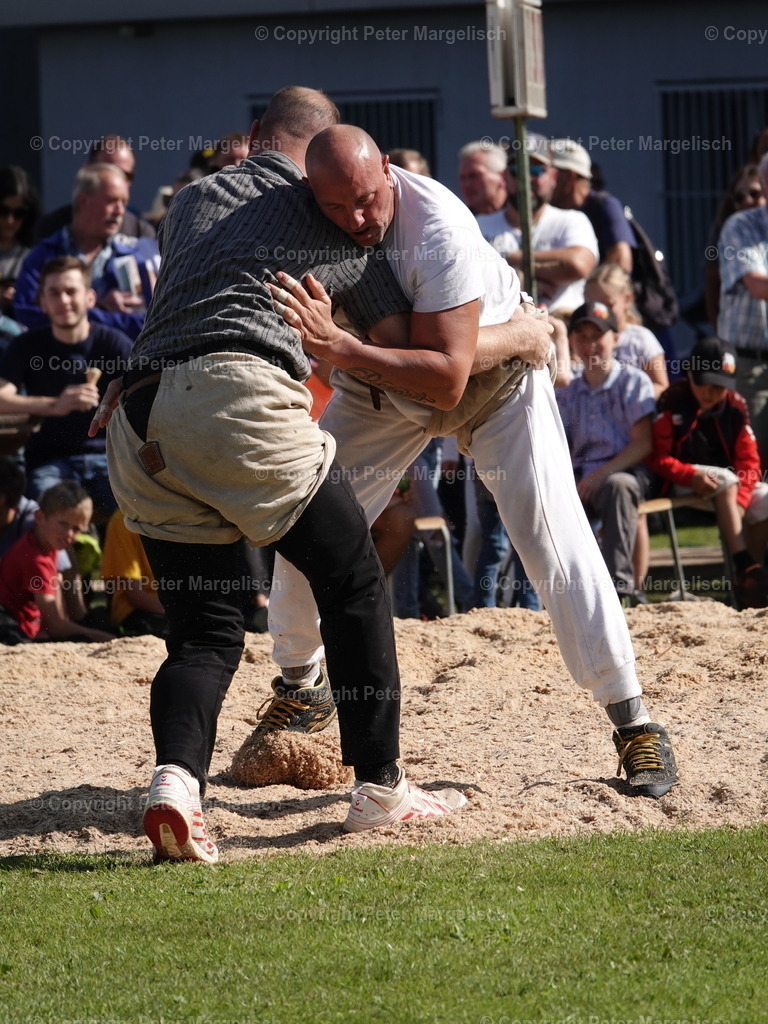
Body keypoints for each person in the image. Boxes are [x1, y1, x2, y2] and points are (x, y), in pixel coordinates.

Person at [94, 86, 487, 864]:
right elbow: (418, 352)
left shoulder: (195, 198)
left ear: (251, 139)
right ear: (319, 164)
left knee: (203, 633)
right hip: (233, 399)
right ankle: (380, 788)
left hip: (138, 416)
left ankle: (176, 784)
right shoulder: (335, 219)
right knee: (353, 583)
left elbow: (194, 290)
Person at [268, 124, 679, 800]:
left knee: (555, 545)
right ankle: (299, 687)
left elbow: (449, 380)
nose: (356, 220)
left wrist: (342, 348)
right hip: (381, 395)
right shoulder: (294, 216)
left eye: (367, 200)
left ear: (388, 176)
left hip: (494, 387)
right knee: (305, 525)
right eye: (336, 209)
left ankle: (635, 721)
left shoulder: (436, 225)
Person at [0, 256, 132, 519]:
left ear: (90, 298)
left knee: (135, 507)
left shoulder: (114, 343)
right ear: (43, 303)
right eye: (54, 293)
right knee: (46, 515)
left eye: (71, 292)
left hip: (109, 460)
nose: (63, 301)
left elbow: (145, 394)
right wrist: (54, 404)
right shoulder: (27, 345)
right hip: (49, 462)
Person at [646, 337, 768, 609]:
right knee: (726, 479)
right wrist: (690, 476)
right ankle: (744, 564)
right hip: (679, 480)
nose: (710, 392)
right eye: (704, 382)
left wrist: (741, 502)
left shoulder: (735, 406)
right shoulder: (673, 400)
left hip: (727, 489)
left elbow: (750, 463)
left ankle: (749, 581)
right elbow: (657, 457)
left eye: (719, 386)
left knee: (765, 496)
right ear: (689, 373)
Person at [556, 301, 655, 604]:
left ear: (616, 338)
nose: (590, 345)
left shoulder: (634, 382)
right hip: (580, 476)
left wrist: (600, 475)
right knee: (550, 497)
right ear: (571, 341)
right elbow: (559, 445)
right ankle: (565, 595)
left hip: (625, 472)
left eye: (597, 335)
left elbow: (643, 443)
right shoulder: (567, 392)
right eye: (581, 336)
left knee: (617, 487)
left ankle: (620, 590)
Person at [14, 164, 160, 341]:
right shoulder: (42, 257)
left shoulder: (132, 259)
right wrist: (98, 307)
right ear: (83, 201)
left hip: (119, 364)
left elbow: (150, 324)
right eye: (112, 201)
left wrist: (67, 313)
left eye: (124, 203)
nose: (120, 211)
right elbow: (27, 316)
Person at [475, 134, 599, 312]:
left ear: (553, 176)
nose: (525, 180)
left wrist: (510, 259)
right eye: (516, 171)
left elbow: (578, 264)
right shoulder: (480, 225)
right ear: (504, 176)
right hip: (505, 331)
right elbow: (471, 278)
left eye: (536, 171)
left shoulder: (571, 221)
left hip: (562, 329)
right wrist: (523, 281)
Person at [0, 480, 115, 645]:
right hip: (14, 628)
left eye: (76, 529)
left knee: (98, 621)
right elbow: (55, 626)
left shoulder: (48, 544)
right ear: (40, 517)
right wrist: (105, 639)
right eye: (63, 524)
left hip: (30, 625)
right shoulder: (36, 559)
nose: (69, 534)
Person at [716, 152, 768, 464]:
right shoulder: (740, 226)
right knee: (753, 463)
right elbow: (758, 285)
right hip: (751, 367)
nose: (748, 199)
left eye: (753, 194)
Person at [35, 135, 157, 241]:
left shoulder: (142, 234)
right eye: (107, 169)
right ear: (87, 171)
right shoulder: (51, 230)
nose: (116, 179)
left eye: (125, 175)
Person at [550, 139, 635, 274]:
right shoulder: (544, 210)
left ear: (569, 177)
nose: (544, 178)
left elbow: (621, 263)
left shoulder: (605, 206)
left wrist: (579, 285)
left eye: (551, 173)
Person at [100, 508, 168, 637]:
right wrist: (175, 612)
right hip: (137, 610)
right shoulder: (124, 518)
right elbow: (133, 593)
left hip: (170, 608)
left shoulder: (181, 516)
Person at [0, 165, 41, 340]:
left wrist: (21, 298)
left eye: (18, 213)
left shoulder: (35, 256)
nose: (10, 220)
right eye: (3, 211)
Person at [457, 142, 508, 215]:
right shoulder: (458, 221)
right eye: (462, 178)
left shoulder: (524, 216)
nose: (466, 184)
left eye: (473, 175)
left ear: (502, 176)